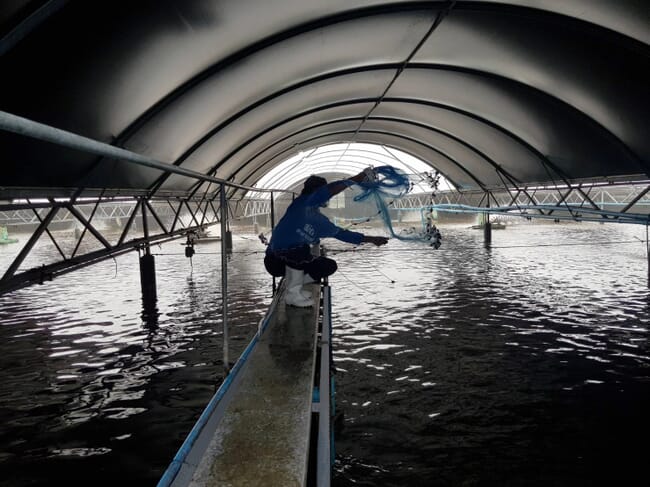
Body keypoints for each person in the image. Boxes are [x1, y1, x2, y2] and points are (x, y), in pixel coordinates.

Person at [264, 168, 388, 307]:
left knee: (328, 266)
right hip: (275, 262)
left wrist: (372, 239)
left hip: (294, 261)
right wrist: (358, 178)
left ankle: (294, 284)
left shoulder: (320, 221)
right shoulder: (302, 203)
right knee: (299, 250)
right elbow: (332, 189)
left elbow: (342, 234)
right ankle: (292, 294)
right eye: (324, 193)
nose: (327, 197)